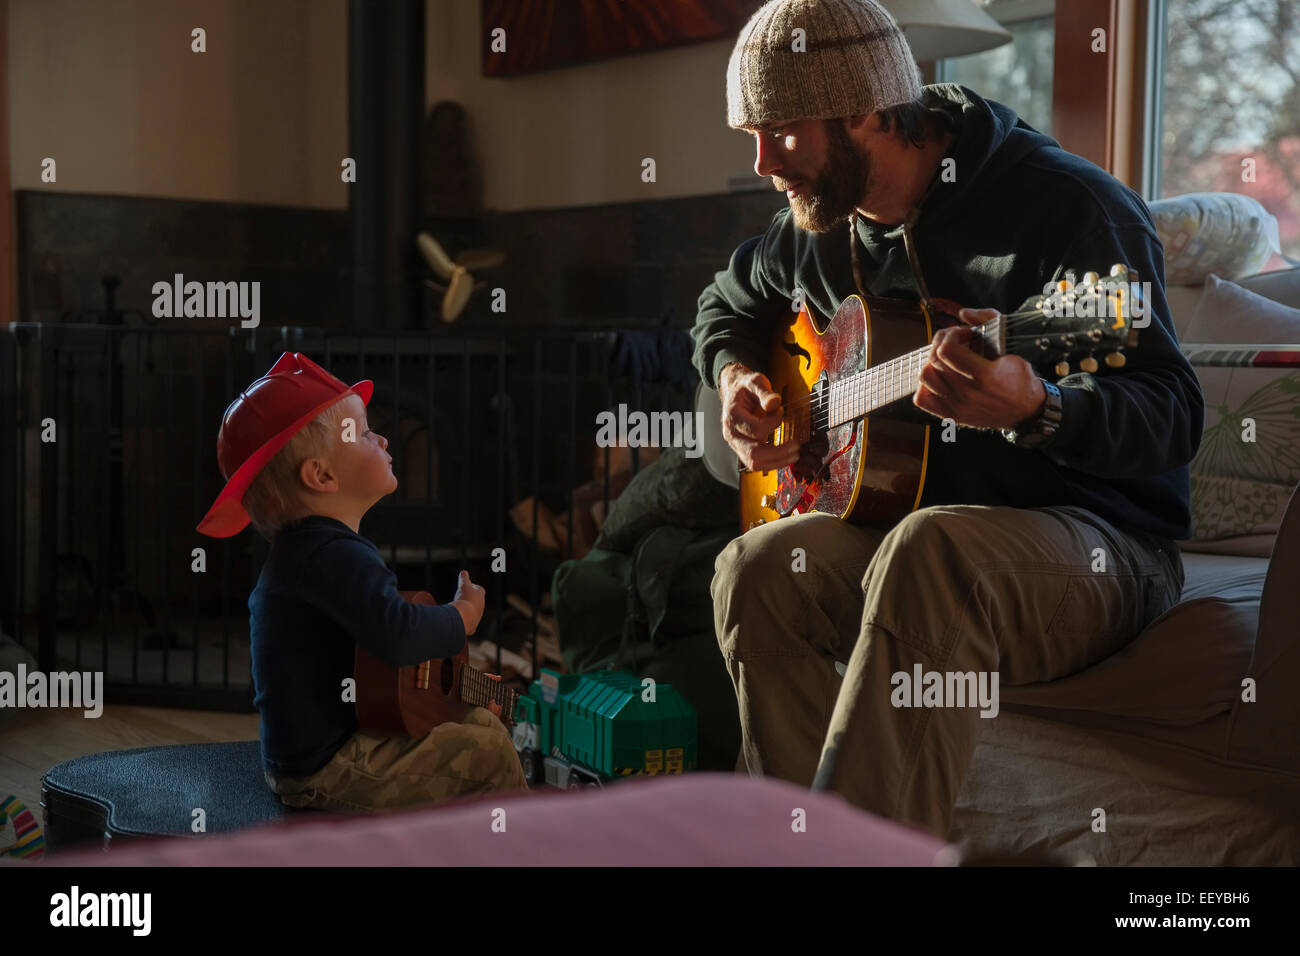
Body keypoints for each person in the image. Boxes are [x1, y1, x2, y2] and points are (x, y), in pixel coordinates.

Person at [691, 0, 1203, 838]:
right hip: (912, 531)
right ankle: (797, 846)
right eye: (751, 134)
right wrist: (740, 375)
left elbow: (1173, 416)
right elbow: (723, 304)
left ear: (859, 109)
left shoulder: (1070, 206)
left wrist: (1041, 407)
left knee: (932, 550)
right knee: (757, 565)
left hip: (1101, 548)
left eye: (780, 132)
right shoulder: (819, 226)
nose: (761, 163)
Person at [196, 351, 527, 813]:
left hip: (333, 745)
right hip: (326, 769)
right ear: (322, 475)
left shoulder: (315, 552)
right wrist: (461, 616)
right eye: (367, 432)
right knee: (488, 754)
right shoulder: (330, 556)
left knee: (481, 727)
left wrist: (454, 691)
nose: (385, 438)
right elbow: (397, 633)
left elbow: (375, 665)